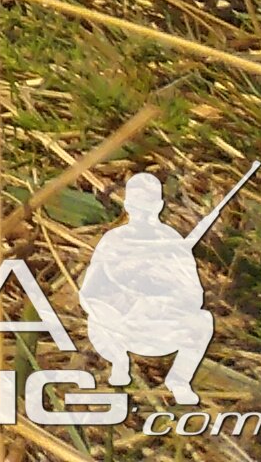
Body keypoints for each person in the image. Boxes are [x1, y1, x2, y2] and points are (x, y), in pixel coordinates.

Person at [79, 171, 218, 402]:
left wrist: (163, 300)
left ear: (159, 206)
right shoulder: (114, 241)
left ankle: (179, 380)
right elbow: (89, 293)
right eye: (137, 205)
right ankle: (119, 363)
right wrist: (120, 306)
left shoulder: (172, 242)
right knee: (95, 321)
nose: (142, 212)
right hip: (121, 327)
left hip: (159, 328)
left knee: (203, 321)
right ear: (128, 206)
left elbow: (194, 295)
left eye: (148, 205)